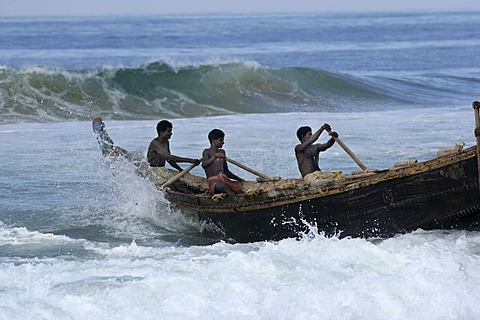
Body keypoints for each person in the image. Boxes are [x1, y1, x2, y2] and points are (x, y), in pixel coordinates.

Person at [147, 120, 200, 193]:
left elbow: (169, 160)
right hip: (154, 171)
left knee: (179, 185)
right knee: (174, 187)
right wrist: (190, 160)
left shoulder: (166, 141)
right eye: (168, 131)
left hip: (162, 170)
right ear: (161, 132)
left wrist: (180, 169)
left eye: (171, 131)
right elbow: (169, 157)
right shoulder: (155, 143)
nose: (171, 133)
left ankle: (190, 195)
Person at [202, 129, 244, 196]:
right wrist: (215, 157)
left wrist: (239, 179)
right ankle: (235, 199)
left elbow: (226, 171)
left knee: (239, 189)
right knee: (223, 187)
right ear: (213, 141)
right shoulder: (207, 152)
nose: (223, 142)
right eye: (221, 140)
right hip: (214, 182)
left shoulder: (222, 152)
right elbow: (204, 165)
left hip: (224, 180)